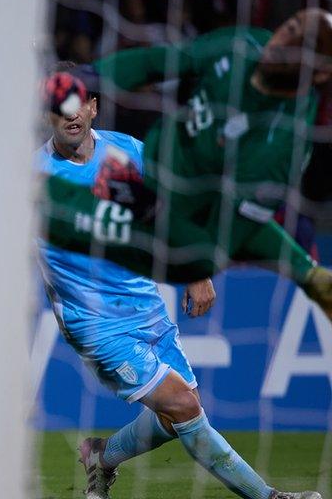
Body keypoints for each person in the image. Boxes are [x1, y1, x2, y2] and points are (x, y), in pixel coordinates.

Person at [38, 70, 321, 499]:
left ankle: (102, 455)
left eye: (80, 103)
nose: (71, 115)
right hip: (93, 322)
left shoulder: (128, 152)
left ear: (93, 106)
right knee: (184, 406)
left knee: (178, 415)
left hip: (145, 304)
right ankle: (268, 497)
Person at [40, 10, 332, 321]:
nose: (286, 38)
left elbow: (227, 233)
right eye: (291, 24)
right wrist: (86, 78)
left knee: (56, 207)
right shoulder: (244, 43)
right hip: (159, 160)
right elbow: (163, 61)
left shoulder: (284, 145)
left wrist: (195, 268)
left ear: (320, 73)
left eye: (304, 43)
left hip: (177, 232)